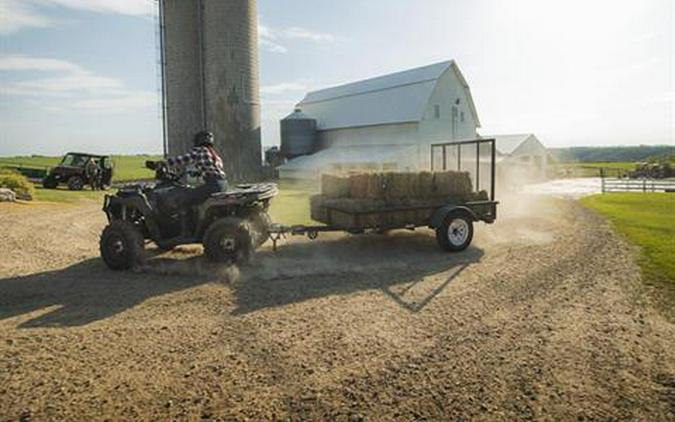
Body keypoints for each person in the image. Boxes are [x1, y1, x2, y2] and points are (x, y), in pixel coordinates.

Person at [156, 130, 228, 208]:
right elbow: (212, 169)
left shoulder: (200, 150)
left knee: (185, 196)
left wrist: (161, 163)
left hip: (212, 185)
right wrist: (197, 173)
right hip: (223, 184)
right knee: (196, 197)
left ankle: (188, 219)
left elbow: (183, 159)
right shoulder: (214, 154)